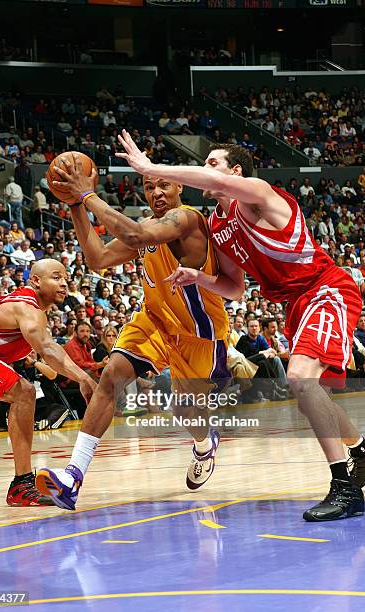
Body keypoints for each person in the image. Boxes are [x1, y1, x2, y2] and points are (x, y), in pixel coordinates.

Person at [115, 129, 365, 523]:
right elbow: (233, 288)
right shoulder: (217, 226)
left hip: (326, 288)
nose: (205, 170)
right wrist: (198, 278)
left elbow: (215, 181)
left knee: (300, 380)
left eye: (211, 162)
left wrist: (149, 167)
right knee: (306, 390)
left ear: (235, 171)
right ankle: (359, 449)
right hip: (295, 305)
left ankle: (344, 487)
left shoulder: (260, 195)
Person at [36, 155, 230, 510]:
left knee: (185, 411)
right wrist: (76, 204)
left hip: (198, 334)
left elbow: (135, 234)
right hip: (154, 321)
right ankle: (73, 476)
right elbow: (97, 259)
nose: (156, 192)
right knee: (111, 375)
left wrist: (87, 195)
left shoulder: (188, 219)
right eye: (149, 186)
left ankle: (205, 444)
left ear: (179, 186)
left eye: (163, 185)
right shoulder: (146, 227)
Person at [0, 259, 95, 506]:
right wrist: (84, 377)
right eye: (56, 277)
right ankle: (22, 484)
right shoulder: (26, 307)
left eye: (65, 278)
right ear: (35, 280)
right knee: (24, 391)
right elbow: (47, 348)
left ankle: (21, 485)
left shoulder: (33, 311)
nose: (64, 283)